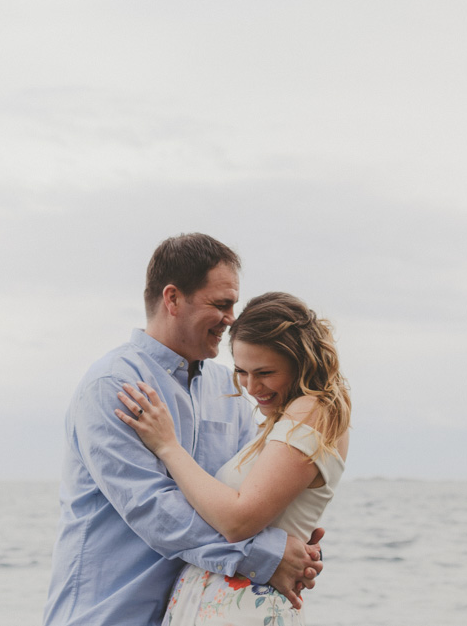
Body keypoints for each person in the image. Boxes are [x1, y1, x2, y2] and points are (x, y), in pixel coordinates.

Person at [43, 234, 323, 626]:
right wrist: (266, 554)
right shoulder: (113, 385)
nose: (231, 319)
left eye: (233, 306)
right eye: (221, 305)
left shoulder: (229, 387)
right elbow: (154, 508)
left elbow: (242, 495)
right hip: (108, 614)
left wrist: (295, 541)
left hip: (193, 613)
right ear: (172, 299)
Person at [115, 291, 351, 626]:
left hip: (243, 611)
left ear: (300, 363)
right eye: (242, 371)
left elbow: (239, 521)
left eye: (265, 372)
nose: (252, 387)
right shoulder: (284, 421)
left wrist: (168, 446)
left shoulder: (311, 410)